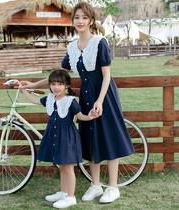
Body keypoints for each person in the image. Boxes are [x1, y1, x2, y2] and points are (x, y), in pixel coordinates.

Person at [19, 1, 135, 204]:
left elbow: (107, 76)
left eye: (84, 17)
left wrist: (100, 101)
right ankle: (96, 185)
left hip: (104, 97)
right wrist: (33, 84)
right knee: (90, 139)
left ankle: (113, 187)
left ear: (91, 21)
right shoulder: (72, 48)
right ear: (72, 21)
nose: (80, 21)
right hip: (86, 98)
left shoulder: (100, 43)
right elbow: (59, 76)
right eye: (76, 17)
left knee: (108, 138)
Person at [18, 69, 96, 209]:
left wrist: (89, 117)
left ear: (66, 85)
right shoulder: (49, 99)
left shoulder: (70, 101)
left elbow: (80, 116)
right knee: (61, 166)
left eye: (59, 84)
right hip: (55, 136)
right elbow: (35, 100)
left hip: (67, 138)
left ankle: (70, 197)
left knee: (68, 168)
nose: (56, 87)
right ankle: (63, 192)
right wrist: (23, 90)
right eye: (53, 84)